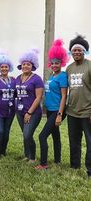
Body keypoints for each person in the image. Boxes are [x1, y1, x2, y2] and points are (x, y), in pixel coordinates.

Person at [35, 39, 69, 170]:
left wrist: (59, 114)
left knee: (42, 136)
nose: (54, 65)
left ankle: (43, 164)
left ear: (62, 63)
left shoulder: (62, 76)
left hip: (57, 110)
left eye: (57, 63)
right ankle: (57, 160)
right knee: (55, 135)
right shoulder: (51, 76)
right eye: (53, 63)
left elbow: (64, 96)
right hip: (50, 109)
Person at [66, 35, 91, 178]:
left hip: (87, 112)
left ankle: (90, 171)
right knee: (74, 141)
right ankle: (75, 166)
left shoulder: (89, 65)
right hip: (72, 112)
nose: (76, 52)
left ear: (84, 51)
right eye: (73, 50)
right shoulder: (69, 69)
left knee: (90, 142)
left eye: (79, 50)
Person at [15, 48, 44, 163]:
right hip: (20, 112)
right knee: (24, 134)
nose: (25, 66)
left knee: (28, 134)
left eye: (28, 64)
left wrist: (29, 112)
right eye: (23, 64)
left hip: (33, 112)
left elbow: (38, 97)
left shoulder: (37, 79)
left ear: (33, 65)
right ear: (20, 65)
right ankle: (27, 155)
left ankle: (32, 157)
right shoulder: (17, 78)